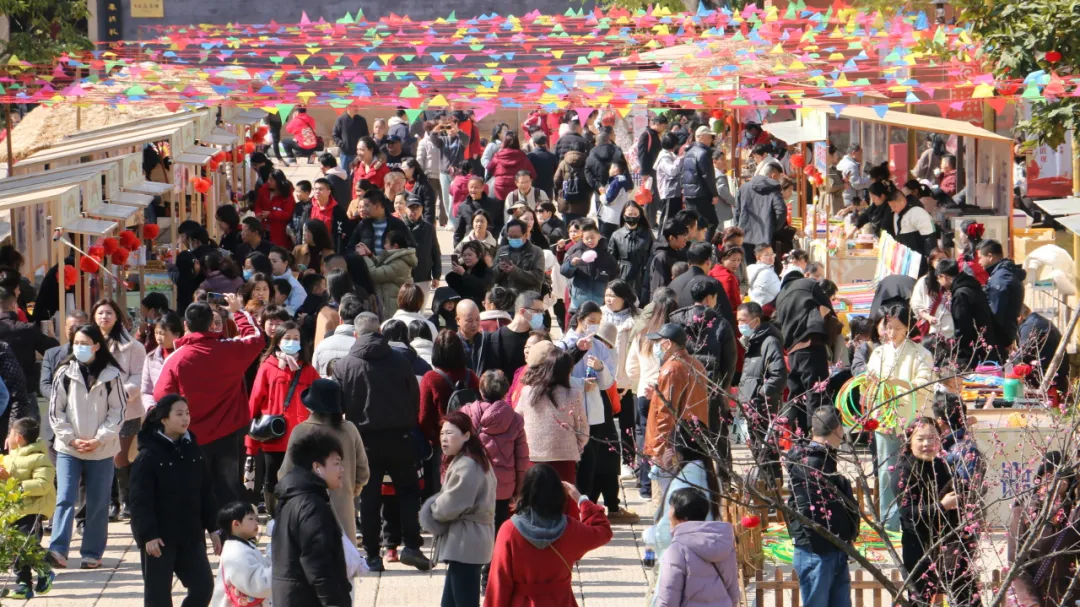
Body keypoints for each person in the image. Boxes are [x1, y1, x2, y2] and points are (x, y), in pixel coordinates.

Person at [332, 321, 431, 572]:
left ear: (356, 334)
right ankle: (411, 545)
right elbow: (414, 399)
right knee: (408, 493)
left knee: (369, 498)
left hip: (363, 440)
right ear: (379, 332)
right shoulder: (401, 361)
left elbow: (338, 406)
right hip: (401, 437)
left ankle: (373, 554)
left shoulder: (344, 365)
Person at [153, 294, 264, 506]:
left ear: (186, 325)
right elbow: (256, 338)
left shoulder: (177, 358)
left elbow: (161, 396)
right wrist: (238, 312)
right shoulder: (229, 349)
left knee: (195, 493)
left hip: (191, 435)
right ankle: (228, 526)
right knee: (228, 493)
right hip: (228, 434)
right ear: (212, 324)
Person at [47, 324, 127, 570]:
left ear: (96, 346)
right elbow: (56, 411)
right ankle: (58, 550)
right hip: (68, 448)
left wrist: (99, 439)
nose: (79, 347)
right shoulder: (64, 372)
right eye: (76, 343)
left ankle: (92, 552)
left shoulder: (112, 375)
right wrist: (71, 438)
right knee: (65, 497)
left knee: (98, 502)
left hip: (101, 449)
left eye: (84, 343)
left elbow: (118, 412)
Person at [129, 394, 218, 607]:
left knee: (203, 587)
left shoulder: (194, 450)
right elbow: (140, 500)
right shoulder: (148, 456)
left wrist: (213, 528)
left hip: (191, 535)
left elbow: (206, 492)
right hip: (160, 538)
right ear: (164, 419)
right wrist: (148, 535)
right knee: (158, 596)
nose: (185, 418)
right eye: (179, 414)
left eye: (187, 413)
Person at [484, 463, 612, 606]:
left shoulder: (509, 530)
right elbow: (603, 530)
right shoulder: (570, 527)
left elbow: (499, 582)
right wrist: (580, 499)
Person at [894, 418, 980, 607]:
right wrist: (941, 506)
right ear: (909, 441)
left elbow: (955, 498)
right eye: (920, 439)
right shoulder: (903, 472)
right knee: (920, 601)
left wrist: (963, 525)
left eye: (933, 438)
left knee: (968, 598)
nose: (927, 444)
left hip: (949, 542)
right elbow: (908, 513)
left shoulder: (941, 465)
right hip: (920, 545)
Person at [420, 411, 497, 607]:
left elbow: (448, 507)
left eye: (450, 433)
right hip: (468, 540)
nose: (444, 438)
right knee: (451, 602)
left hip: (467, 541)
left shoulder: (467, 465)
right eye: (442, 433)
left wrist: (431, 509)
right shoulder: (470, 460)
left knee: (463, 601)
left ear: (466, 435)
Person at [279, 378, 370, 545]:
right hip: (344, 511)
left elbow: (285, 474)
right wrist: (350, 490)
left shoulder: (301, 431)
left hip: (306, 511)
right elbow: (363, 472)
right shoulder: (349, 430)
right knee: (345, 556)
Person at [785, 407, 859, 607]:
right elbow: (809, 510)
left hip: (834, 545)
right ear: (837, 429)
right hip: (817, 550)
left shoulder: (823, 457)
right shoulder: (809, 462)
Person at [244, 320, 317, 517]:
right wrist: (250, 443)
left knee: (300, 478)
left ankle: (296, 514)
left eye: (296, 338)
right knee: (272, 478)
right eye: (287, 338)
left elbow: (318, 400)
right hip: (274, 435)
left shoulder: (308, 369)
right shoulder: (267, 367)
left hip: (301, 435)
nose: (292, 342)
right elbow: (254, 403)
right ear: (277, 341)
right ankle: (275, 516)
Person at [272, 430, 353, 606]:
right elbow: (318, 564)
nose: (342, 469)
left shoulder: (291, 499)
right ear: (317, 467)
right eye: (336, 463)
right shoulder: (312, 505)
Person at [1006, 451, 1080, 607]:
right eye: (1050, 475)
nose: (1057, 480)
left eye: (1063, 476)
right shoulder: (1024, 511)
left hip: (1066, 596)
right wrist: (1030, 601)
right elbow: (1015, 559)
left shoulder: (1074, 514)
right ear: (1040, 478)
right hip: (1035, 595)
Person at [653, 488, 740, 607]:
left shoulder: (677, 550)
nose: (669, 515)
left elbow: (668, 599)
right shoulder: (724, 543)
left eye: (671, 508)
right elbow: (733, 594)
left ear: (684, 517)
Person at [2, 418, 56, 599]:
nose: (7, 437)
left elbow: (43, 484)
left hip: (32, 510)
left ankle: (45, 568)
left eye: (9, 433)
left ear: (18, 437)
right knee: (15, 547)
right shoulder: (8, 458)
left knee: (27, 544)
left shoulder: (40, 458)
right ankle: (23, 584)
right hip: (13, 511)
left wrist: (15, 485)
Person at [517, 347, 588, 484]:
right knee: (564, 495)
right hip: (565, 456)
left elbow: (517, 421)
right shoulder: (574, 394)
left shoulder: (527, 392)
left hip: (532, 455)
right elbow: (582, 430)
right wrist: (577, 446)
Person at [644, 324, 710, 470]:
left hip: (675, 443)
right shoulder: (696, 363)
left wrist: (658, 450)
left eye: (658, 342)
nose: (655, 347)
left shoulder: (671, 368)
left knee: (670, 483)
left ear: (667, 344)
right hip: (695, 435)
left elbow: (666, 413)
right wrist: (656, 395)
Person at [736, 302, 787, 483]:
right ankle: (766, 486)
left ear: (756, 321)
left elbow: (778, 374)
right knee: (759, 451)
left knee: (767, 451)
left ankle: (772, 487)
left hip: (762, 405)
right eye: (738, 321)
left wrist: (760, 394)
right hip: (752, 405)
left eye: (743, 321)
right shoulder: (754, 342)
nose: (740, 325)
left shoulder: (769, 341)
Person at [936, 257, 1000, 370]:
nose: (939, 283)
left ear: (943, 276)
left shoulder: (960, 295)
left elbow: (963, 328)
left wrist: (961, 355)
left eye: (938, 279)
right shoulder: (973, 287)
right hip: (987, 344)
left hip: (974, 352)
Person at [0, 279, 58, 397]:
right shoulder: (28, 329)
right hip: (25, 390)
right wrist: (51, 337)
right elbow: (54, 351)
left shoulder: (27, 329)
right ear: (14, 305)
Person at [212, 501, 272, 607]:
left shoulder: (243, 545)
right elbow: (259, 586)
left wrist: (273, 554)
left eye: (256, 518)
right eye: (251, 519)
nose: (256, 522)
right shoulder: (236, 553)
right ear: (236, 524)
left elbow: (261, 568)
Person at [481, 290, 543, 379]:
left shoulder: (539, 339)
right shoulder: (496, 339)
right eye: (537, 311)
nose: (540, 315)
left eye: (542, 311)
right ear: (523, 311)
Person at [977, 239, 1026, 350]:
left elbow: (996, 313)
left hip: (999, 339)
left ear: (990, 256)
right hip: (1006, 335)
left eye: (980, 258)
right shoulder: (1004, 273)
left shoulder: (1000, 279)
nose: (979, 262)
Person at [357, 229, 417, 318]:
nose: (384, 246)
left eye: (386, 243)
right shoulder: (397, 258)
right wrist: (370, 255)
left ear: (395, 246)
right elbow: (382, 266)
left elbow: (375, 274)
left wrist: (363, 256)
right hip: (390, 306)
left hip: (393, 311)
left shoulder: (399, 264)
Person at [561, 221, 618, 315]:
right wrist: (571, 264)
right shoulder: (576, 253)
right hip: (579, 302)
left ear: (598, 236)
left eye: (592, 237)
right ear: (582, 238)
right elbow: (564, 272)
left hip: (600, 302)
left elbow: (615, 276)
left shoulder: (607, 257)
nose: (590, 240)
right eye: (587, 238)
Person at [681, 126, 721, 236]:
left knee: (695, 224)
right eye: (709, 137)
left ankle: (695, 243)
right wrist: (714, 194)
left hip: (690, 193)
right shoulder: (703, 153)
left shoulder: (689, 151)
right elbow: (708, 176)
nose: (711, 139)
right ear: (701, 137)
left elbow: (683, 173)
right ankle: (703, 244)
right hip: (701, 194)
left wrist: (684, 188)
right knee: (711, 223)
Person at [909, 249, 954, 343]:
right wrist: (928, 317)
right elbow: (916, 303)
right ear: (931, 263)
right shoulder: (924, 282)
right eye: (939, 260)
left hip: (951, 328)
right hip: (933, 329)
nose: (942, 263)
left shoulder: (954, 280)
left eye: (945, 259)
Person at [493, 218, 545, 294]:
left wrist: (515, 271)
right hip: (505, 297)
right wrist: (499, 268)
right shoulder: (502, 251)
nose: (513, 239)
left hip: (527, 297)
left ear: (526, 235)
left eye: (516, 237)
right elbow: (492, 278)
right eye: (510, 236)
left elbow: (538, 277)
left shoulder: (536, 252)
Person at [455, 175, 506, 247]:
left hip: (489, 244)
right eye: (471, 187)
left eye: (476, 187)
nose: (473, 190)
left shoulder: (493, 204)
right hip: (469, 245)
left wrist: (492, 238)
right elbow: (458, 231)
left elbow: (499, 224)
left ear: (482, 188)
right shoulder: (463, 207)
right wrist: (457, 248)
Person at [553, 144, 592, 223]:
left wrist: (560, 191)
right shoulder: (587, 163)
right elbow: (590, 181)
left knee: (567, 225)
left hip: (566, 200)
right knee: (581, 225)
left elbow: (556, 180)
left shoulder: (563, 163)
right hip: (582, 201)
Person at [650, 220, 690, 294]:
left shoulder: (677, 251)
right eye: (684, 236)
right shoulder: (662, 257)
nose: (686, 240)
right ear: (671, 238)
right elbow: (660, 288)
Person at [333, 106, 369, 175]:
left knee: (359, 174)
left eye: (357, 106)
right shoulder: (340, 120)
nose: (357, 108)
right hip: (345, 155)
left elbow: (366, 136)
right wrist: (342, 144)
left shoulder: (361, 120)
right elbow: (335, 135)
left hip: (359, 155)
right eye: (354, 106)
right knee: (345, 175)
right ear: (348, 107)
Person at [710, 246, 744, 315]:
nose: (736, 264)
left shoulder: (712, 271)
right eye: (733, 260)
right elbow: (734, 303)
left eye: (739, 260)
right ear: (723, 259)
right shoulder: (729, 278)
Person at [837, 143, 871, 208]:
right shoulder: (851, 166)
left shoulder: (843, 162)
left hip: (845, 197)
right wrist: (871, 179)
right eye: (860, 154)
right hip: (850, 200)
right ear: (853, 153)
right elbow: (857, 184)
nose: (861, 156)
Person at [527, 132, 558, 199]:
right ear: (545, 143)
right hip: (548, 190)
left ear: (534, 143)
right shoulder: (552, 156)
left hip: (533, 190)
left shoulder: (530, 156)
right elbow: (555, 174)